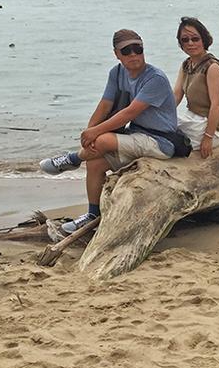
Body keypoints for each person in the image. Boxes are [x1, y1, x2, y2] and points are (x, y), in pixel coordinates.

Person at [39, 29, 179, 233]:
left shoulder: (155, 78)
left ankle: (72, 159)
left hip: (160, 142)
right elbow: (105, 104)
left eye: (137, 49)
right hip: (135, 135)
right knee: (95, 162)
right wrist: (88, 133)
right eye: (127, 51)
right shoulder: (117, 73)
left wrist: (96, 134)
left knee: (102, 141)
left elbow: (129, 113)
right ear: (117, 54)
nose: (133, 55)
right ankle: (93, 214)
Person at [172, 16, 219, 158]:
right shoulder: (186, 65)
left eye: (195, 39)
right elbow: (176, 95)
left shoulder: (212, 67)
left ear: (204, 39)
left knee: (169, 142)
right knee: (159, 129)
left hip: (210, 126)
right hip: (192, 119)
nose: (190, 43)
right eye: (185, 40)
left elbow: (216, 105)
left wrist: (208, 138)